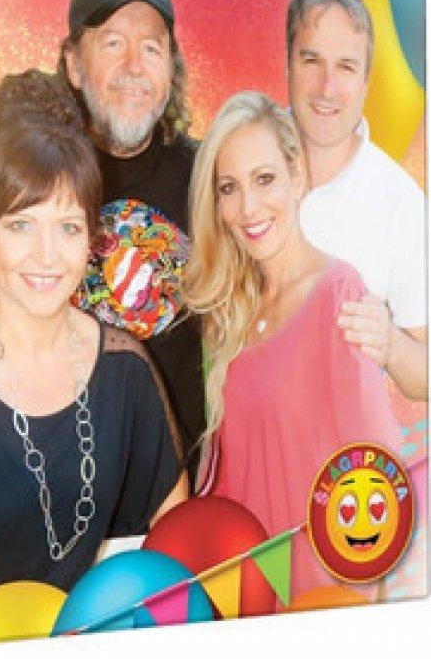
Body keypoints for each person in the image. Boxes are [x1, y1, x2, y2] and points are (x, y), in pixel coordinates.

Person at [0, 74, 187, 591]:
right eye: (21, 225)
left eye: (68, 227)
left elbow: (173, 525)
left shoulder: (125, 367)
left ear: (92, 238)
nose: (47, 256)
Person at [0, 0, 206, 484]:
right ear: (72, 64)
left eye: (151, 48)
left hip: (176, 489)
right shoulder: (24, 176)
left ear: (170, 69)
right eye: (113, 43)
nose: (134, 67)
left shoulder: (209, 176)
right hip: (52, 489)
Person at [184, 91, 402, 597]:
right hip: (242, 595)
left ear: (297, 176)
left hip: (319, 596)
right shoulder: (230, 311)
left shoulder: (338, 296)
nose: (248, 208)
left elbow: (377, 473)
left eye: (264, 179)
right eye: (229, 188)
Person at [287, 0, 426, 401]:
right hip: (239, 434)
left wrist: (390, 342)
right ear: (288, 64)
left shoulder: (401, 201)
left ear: (366, 81)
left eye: (346, 67)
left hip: (341, 441)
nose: (326, 87)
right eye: (311, 60)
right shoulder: (240, 164)